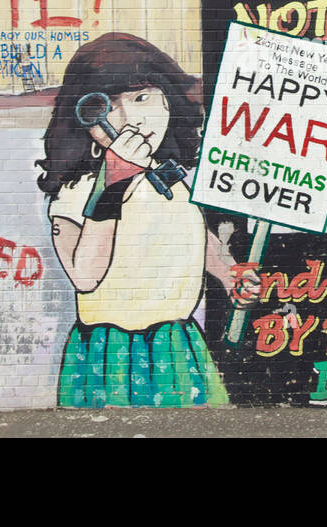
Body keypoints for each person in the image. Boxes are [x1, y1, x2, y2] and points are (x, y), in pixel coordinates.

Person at [37, 33, 256, 407]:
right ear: (85, 120)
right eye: (108, 106)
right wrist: (113, 184)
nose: (130, 119)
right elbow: (85, 276)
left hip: (179, 343)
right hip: (113, 352)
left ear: (168, 99)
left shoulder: (169, 178)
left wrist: (231, 273)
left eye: (142, 98)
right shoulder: (78, 192)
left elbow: (194, 236)